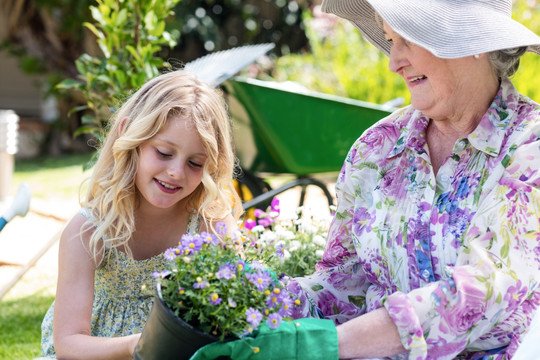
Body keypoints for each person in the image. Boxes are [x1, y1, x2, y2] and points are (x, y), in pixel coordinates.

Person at [283, 0, 540, 359]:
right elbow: (346, 277)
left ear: (474, 41)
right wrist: (262, 308)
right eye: (391, 40)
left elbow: (485, 290)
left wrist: (328, 345)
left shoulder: (530, 146)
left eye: (408, 38)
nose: (393, 62)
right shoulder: (378, 146)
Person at [38, 70, 242, 359]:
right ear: (130, 136)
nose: (176, 172)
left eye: (195, 163)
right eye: (163, 152)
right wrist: (136, 345)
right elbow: (69, 344)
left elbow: (231, 314)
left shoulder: (211, 223)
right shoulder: (89, 230)